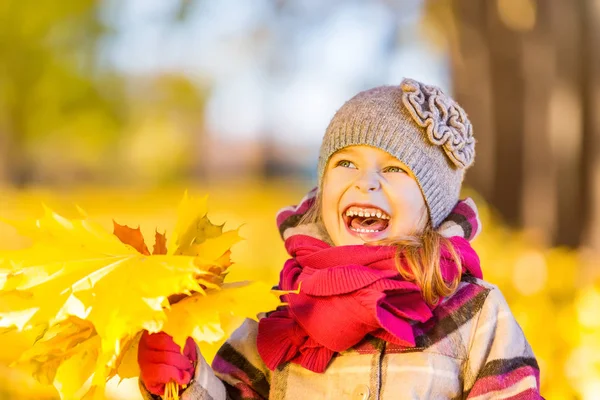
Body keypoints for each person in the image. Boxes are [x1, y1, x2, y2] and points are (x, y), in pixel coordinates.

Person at [137, 78, 543, 399]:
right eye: (346, 163)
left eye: (394, 169)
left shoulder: (474, 314)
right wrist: (185, 381)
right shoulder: (282, 309)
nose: (365, 182)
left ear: (431, 206)